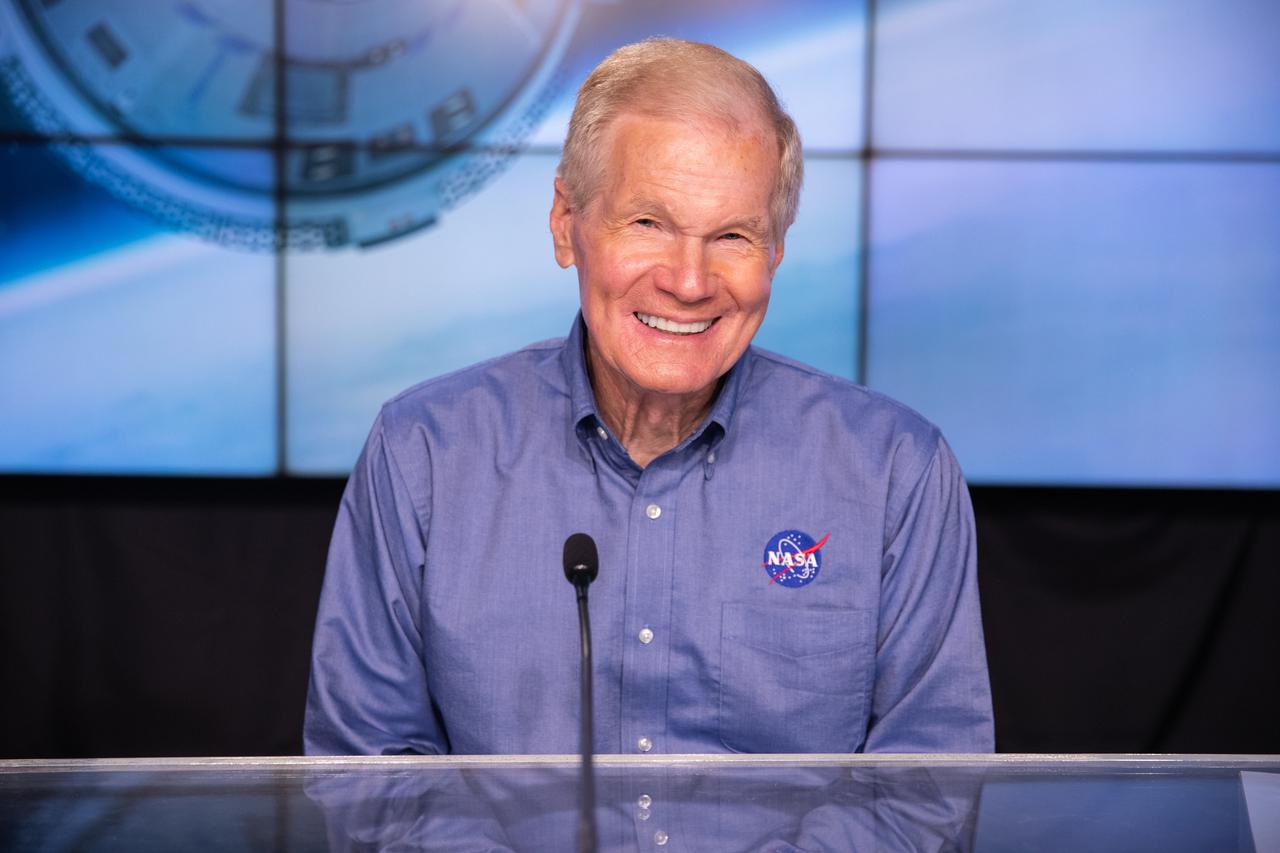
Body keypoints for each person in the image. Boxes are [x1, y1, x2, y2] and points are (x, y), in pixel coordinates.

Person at [304, 38, 993, 756]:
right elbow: (371, 769)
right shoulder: (423, 455)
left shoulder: (895, 472)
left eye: (732, 235)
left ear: (776, 252)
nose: (689, 282)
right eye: (648, 223)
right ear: (566, 224)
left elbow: (924, 786)